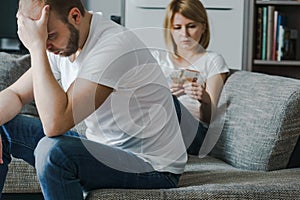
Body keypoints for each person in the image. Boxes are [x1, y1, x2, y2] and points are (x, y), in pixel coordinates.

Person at [0, 0, 187, 199]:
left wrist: (36, 47)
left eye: (50, 36)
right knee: (4, 124)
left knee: (53, 152)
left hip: (152, 166)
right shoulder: (61, 42)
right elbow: (16, 94)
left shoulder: (113, 45)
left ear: (75, 16)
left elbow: (55, 124)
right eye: (40, 38)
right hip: (103, 148)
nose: (47, 46)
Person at [151, 0, 229, 155]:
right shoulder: (158, 59)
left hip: (196, 133)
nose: (184, 34)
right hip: (158, 126)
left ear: (203, 27)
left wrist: (204, 99)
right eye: (177, 28)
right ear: (170, 30)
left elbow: (209, 119)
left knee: (167, 103)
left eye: (191, 26)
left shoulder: (213, 60)